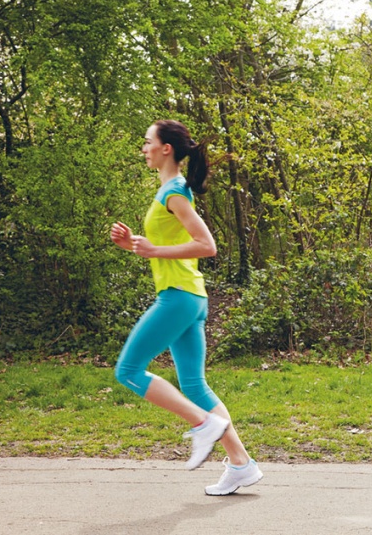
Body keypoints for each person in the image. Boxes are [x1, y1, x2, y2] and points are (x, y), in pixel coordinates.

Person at [110, 119, 263, 496]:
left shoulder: (173, 193)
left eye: (147, 142)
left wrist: (154, 250)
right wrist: (133, 244)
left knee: (128, 370)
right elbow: (167, 246)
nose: (143, 148)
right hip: (190, 296)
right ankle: (241, 465)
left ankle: (201, 424)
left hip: (178, 297)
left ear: (166, 149)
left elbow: (207, 245)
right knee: (194, 384)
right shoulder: (170, 190)